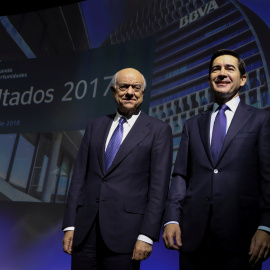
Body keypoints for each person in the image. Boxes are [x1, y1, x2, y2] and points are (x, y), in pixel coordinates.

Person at [162, 49, 270, 270]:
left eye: (229, 68)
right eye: (215, 69)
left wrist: (266, 226)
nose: (222, 73)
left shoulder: (262, 119)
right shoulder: (192, 124)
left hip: (242, 239)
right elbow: (181, 174)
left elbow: (268, 176)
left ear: (243, 79)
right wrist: (172, 218)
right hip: (194, 239)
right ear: (209, 79)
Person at [62, 67, 173, 270]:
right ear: (114, 91)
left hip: (127, 237)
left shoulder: (159, 130)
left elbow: (159, 189)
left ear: (142, 93)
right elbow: (78, 177)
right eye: (124, 87)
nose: (130, 92)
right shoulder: (95, 125)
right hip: (85, 233)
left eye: (136, 87)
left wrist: (147, 235)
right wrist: (70, 225)